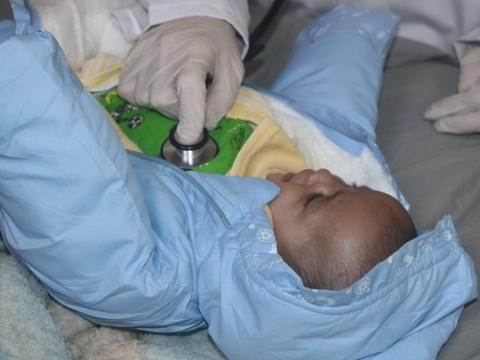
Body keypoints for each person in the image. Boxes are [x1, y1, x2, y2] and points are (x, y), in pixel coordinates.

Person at [0, 3, 476, 359]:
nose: (324, 175)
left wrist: (18, 74)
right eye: (350, 187)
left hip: (60, 71)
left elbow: (72, 188)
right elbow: (332, 99)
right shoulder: (315, 152)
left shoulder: (152, 276)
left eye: (315, 201)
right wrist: (355, 24)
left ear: (276, 269)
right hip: (143, 46)